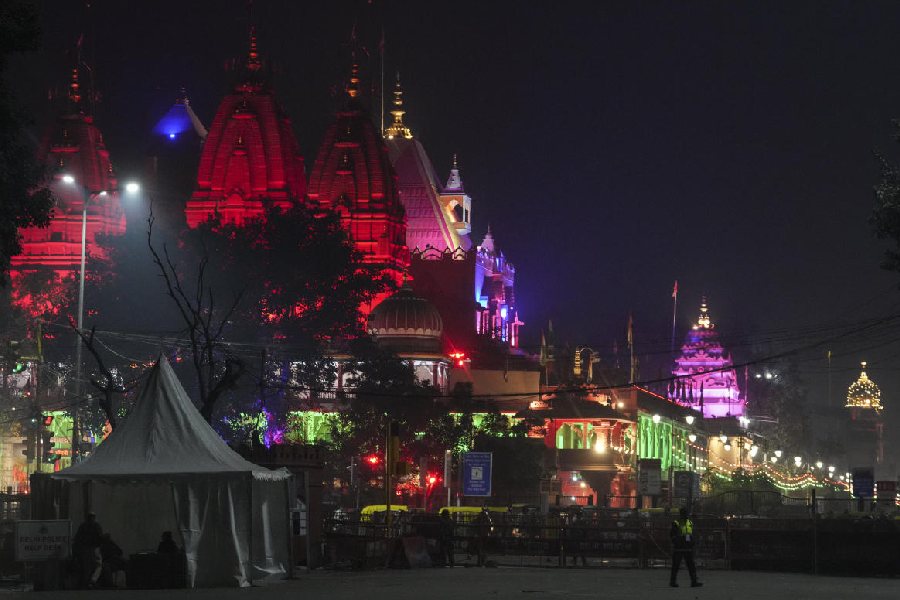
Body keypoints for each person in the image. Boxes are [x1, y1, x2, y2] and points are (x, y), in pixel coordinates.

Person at [670, 507, 702, 588]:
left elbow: (689, 534)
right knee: (677, 565)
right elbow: (673, 535)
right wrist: (678, 542)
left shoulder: (688, 522)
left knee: (690, 565)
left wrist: (691, 542)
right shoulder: (677, 523)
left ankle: (693, 581)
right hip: (680, 548)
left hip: (686, 547)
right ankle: (673, 581)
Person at [73, 513, 103, 589]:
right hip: (94, 548)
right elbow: (100, 537)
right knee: (98, 565)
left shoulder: (83, 526)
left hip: (85, 549)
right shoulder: (96, 525)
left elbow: (77, 538)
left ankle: (87, 583)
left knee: (87, 567)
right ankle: (92, 581)